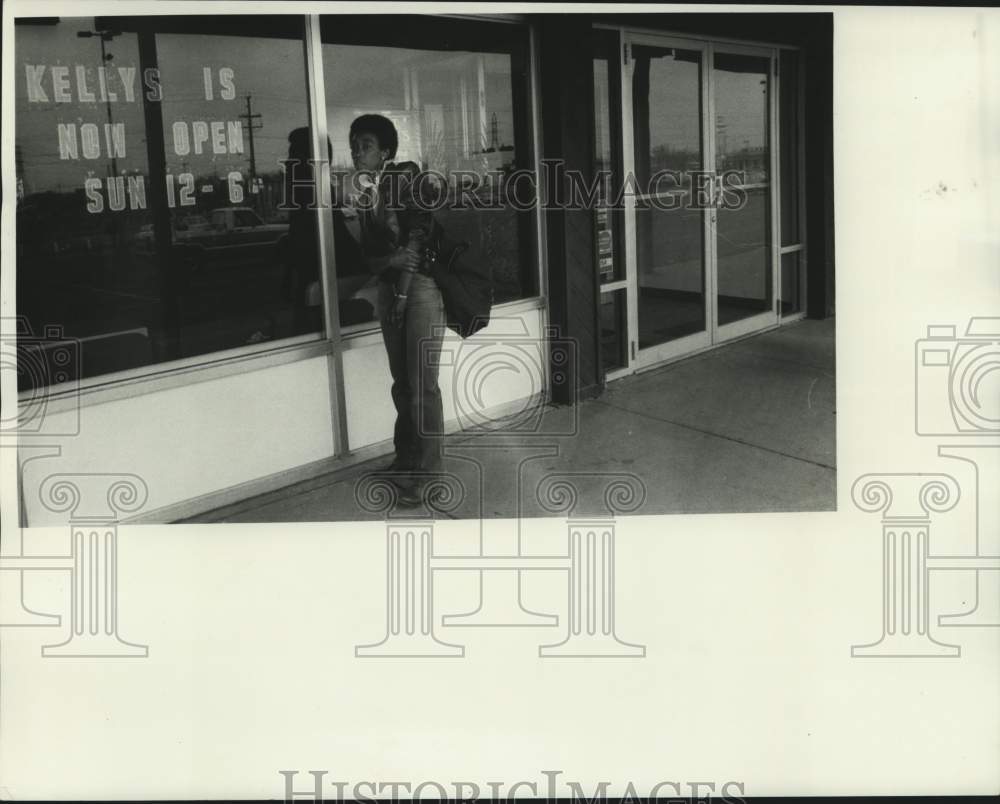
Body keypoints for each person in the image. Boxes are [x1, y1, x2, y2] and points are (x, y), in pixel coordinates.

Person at [349, 114, 446, 506]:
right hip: (392, 290)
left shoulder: (406, 178)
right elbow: (372, 259)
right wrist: (390, 264)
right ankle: (405, 460)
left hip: (419, 291)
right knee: (402, 384)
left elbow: (417, 244)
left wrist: (402, 291)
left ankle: (429, 476)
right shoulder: (365, 195)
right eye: (354, 145)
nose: (358, 153)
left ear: (385, 151)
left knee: (423, 386)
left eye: (366, 145)